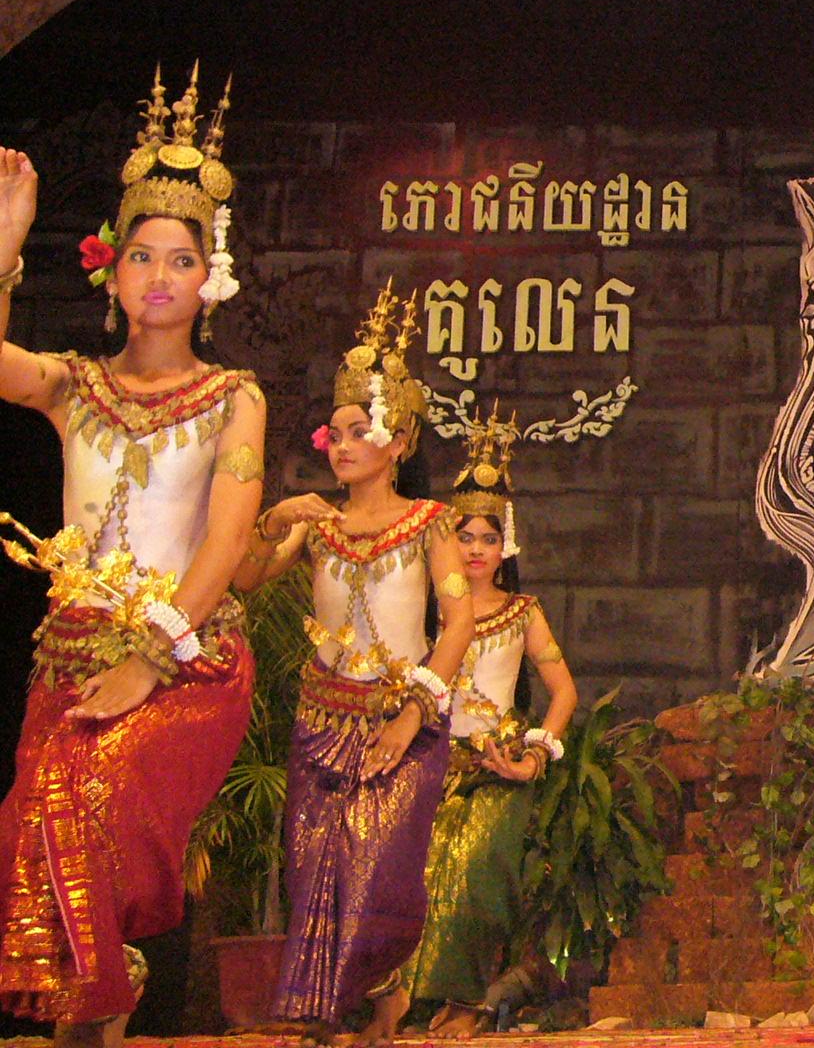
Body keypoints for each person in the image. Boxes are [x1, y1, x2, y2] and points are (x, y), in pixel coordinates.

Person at [0, 69, 263, 1048]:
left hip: (188, 659)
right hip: (72, 652)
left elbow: (226, 542)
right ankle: (102, 995)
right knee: (36, 819)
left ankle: (103, 988)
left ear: (209, 279)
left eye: (181, 259)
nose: (159, 274)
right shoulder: (72, 386)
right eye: (141, 255)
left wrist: (150, 660)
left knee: (91, 796)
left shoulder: (234, 397)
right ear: (110, 273)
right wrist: (7, 239)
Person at [237, 282, 475, 1044]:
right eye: (333, 433)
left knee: (378, 867)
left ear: (399, 442)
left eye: (358, 430)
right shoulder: (315, 526)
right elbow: (244, 577)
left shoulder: (431, 524)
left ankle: (378, 990)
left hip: (401, 718)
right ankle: (333, 1007)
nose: (340, 445)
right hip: (322, 716)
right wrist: (273, 517)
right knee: (316, 869)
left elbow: (459, 619)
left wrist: (413, 714)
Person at [402, 407, 577, 1036]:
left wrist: (535, 755)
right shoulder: (425, 611)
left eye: (487, 538)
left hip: (495, 766)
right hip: (428, 759)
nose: (475, 550)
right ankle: (410, 1002)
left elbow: (563, 690)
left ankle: (470, 1001)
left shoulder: (522, 611)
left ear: (506, 548)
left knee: (476, 868)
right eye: (465, 536)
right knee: (418, 869)